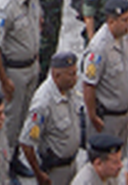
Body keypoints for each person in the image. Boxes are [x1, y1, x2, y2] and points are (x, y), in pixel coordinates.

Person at [0, 0, 40, 178]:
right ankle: (5, 166)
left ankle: (15, 157)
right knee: (9, 122)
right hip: (14, 72)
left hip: (31, 66)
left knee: (23, 117)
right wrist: (4, 79)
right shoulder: (5, 6)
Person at [20, 51, 82, 185]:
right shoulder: (43, 103)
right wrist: (38, 173)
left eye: (75, 73)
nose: (75, 78)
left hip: (72, 164)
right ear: (56, 75)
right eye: (71, 74)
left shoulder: (68, 90)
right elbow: (26, 143)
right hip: (55, 170)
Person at [83, 0, 128, 145]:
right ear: (111, 22)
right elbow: (89, 84)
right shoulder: (99, 48)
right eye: (124, 20)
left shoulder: (126, 37)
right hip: (107, 118)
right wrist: (93, 116)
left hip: (124, 115)